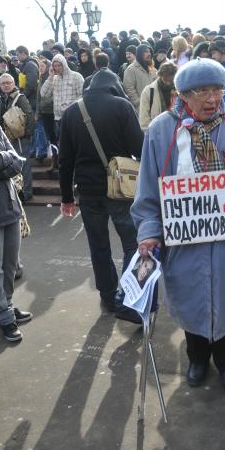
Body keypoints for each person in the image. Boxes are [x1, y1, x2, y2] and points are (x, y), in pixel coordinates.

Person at [131, 58, 225, 394]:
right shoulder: (161, 130)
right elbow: (148, 190)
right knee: (191, 299)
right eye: (202, 91)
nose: (212, 99)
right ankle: (197, 358)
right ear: (183, 94)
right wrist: (149, 231)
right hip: (183, 241)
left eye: (217, 90)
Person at [59, 67, 144, 320]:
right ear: (114, 86)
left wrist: (66, 197)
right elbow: (139, 148)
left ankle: (108, 297)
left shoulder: (72, 111)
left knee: (99, 245)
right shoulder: (121, 106)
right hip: (120, 188)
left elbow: (65, 160)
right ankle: (129, 298)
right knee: (132, 243)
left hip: (88, 190)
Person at [0, 82, 32, 342]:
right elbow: (5, 160)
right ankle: (2, 314)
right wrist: (3, 161)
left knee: (10, 264)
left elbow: (18, 162)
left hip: (9, 204)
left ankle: (7, 304)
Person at [0, 73, 34, 201]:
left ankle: (27, 193)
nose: (6, 85)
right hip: (8, 138)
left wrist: (26, 135)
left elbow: (29, 115)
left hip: (20, 138)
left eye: (8, 82)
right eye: (3, 83)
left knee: (24, 165)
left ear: (14, 83)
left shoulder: (20, 98)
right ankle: (18, 192)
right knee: (15, 166)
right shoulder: (1, 98)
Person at [40, 53, 84, 140]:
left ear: (64, 64)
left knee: (75, 143)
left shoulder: (76, 76)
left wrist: (69, 107)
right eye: (55, 66)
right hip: (58, 119)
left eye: (59, 65)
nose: (57, 68)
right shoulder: (54, 79)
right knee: (62, 146)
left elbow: (82, 95)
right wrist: (50, 77)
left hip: (73, 117)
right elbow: (43, 94)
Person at [139, 61, 177, 131]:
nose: (168, 83)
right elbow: (144, 120)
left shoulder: (178, 90)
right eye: (166, 80)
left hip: (175, 131)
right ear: (160, 75)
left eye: (171, 81)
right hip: (157, 132)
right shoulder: (148, 91)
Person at [123, 44, 157, 114]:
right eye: (146, 52)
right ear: (140, 54)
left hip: (154, 108)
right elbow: (128, 88)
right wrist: (138, 103)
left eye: (149, 52)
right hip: (140, 109)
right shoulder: (131, 69)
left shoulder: (153, 70)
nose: (149, 54)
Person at [15, 46, 39, 110]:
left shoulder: (30, 65)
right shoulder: (24, 64)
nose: (17, 57)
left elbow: (31, 84)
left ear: (23, 53)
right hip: (28, 99)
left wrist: (22, 97)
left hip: (31, 100)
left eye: (18, 54)